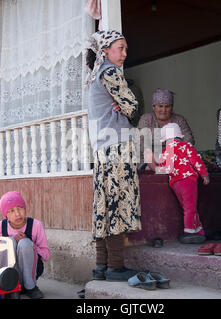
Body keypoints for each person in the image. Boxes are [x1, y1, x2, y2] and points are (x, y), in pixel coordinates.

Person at [84, 29, 141, 282]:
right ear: (105, 50)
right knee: (118, 204)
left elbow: (126, 105)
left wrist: (126, 105)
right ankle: (116, 267)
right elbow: (132, 106)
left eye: (126, 48)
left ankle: (101, 266)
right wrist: (130, 105)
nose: (125, 54)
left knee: (104, 206)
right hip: (117, 146)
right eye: (121, 48)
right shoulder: (110, 72)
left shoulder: (95, 75)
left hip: (102, 148)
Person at [0, 191, 50, 299]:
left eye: (20, 208)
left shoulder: (36, 225)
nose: (17, 214)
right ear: (6, 215)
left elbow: (46, 255)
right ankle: (7, 286)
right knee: (8, 242)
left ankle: (30, 287)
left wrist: (30, 245)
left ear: (25, 208)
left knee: (25, 243)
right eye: (11, 211)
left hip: (30, 274)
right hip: (6, 277)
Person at [145, 123, 210, 244]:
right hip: (188, 180)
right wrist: (204, 174)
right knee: (190, 207)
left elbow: (163, 168)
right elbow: (196, 160)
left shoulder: (165, 151)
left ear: (165, 139)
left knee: (186, 207)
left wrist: (151, 161)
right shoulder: (186, 146)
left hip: (175, 183)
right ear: (179, 136)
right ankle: (190, 231)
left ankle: (199, 230)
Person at [137, 88, 195, 163]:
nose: (164, 110)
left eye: (167, 106)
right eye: (160, 106)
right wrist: (173, 141)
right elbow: (141, 143)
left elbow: (189, 141)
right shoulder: (146, 119)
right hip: (149, 161)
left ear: (172, 107)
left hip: (176, 160)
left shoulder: (179, 120)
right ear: (153, 107)